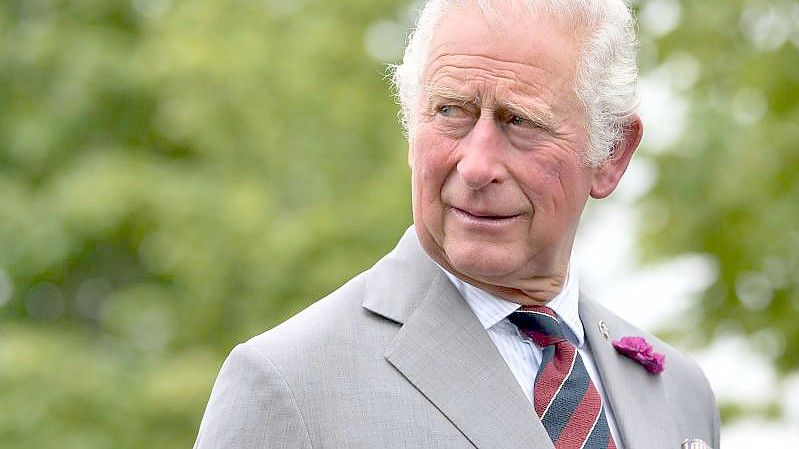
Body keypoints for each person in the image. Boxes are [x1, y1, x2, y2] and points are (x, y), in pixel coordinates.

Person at [193, 1, 720, 448]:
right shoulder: (289, 384)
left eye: (521, 121)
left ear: (612, 155)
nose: (476, 166)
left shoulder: (677, 391)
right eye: (450, 112)